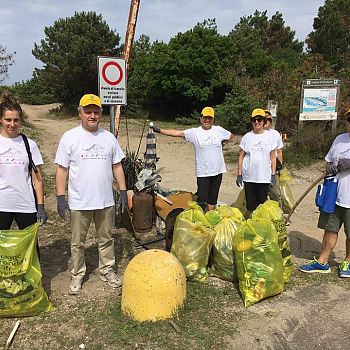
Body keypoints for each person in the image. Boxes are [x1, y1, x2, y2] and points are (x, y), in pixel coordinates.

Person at [55, 93, 128, 295]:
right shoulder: (70, 137)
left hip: (105, 200)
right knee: (78, 242)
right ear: (80, 113)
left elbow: (117, 165)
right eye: (88, 111)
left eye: (96, 111)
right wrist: (61, 197)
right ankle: (77, 274)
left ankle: (107, 270)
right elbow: (62, 169)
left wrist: (122, 191)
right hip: (79, 201)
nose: (92, 115)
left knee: (106, 238)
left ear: (101, 113)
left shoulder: (109, 138)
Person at [151, 107, 234, 211]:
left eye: (209, 118)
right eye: (205, 117)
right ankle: (201, 218)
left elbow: (230, 135)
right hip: (203, 172)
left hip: (218, 170)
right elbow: (177, 133)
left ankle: (210, 218)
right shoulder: (195, 132)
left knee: (213, 198)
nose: (207, 120)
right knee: (202, 199)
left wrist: (222, 144)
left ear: (213, 119)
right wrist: (159, 130)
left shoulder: (218, 130)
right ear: (201, 118)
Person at [299, 109, 350, 277]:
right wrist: (330, 167)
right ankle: (322, 262)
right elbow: (328, 161)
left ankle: (348, 264)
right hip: (334, 195)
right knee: (330, 229)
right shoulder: (339, 139)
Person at [0, 93, 48, 231]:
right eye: (8, 120)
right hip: (2, 205)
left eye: (16, 120)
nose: (12, 124)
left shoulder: (29, 145)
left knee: (30, 248)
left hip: (26, 205)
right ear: (1, 120)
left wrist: (40, 206)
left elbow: (37, 179)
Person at [236, 108, 277, 216]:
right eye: (254, 120)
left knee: (262, 205)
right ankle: (251, 225)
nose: (257, 122)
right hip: (249, 177)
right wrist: (239, 175)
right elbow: (241, 157)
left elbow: (273, 157)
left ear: (264, 121)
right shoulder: (247, 137)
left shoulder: (270, 137)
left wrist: (273, 174)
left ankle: (260, 226)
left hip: (263, 177)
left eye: (259, 120)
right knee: (250, 206)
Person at [264, 109, 284, 205]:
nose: (266, 121)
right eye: (263, 119)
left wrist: (280, 168)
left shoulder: (275, 134)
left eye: (268, 119)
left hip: (273, 169)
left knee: (275, 194)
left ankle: (278, 216)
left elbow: (279, 152)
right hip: (260, 169)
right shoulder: (255, 134)